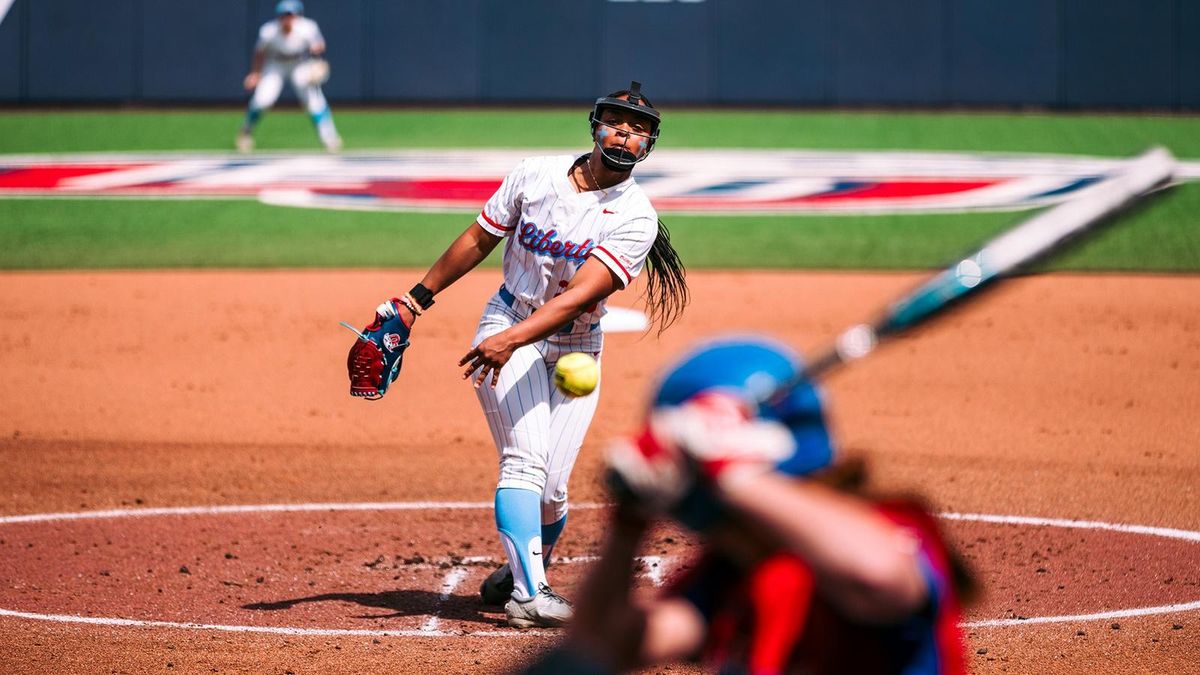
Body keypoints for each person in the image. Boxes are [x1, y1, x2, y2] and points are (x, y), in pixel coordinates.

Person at [366, 82, 688, 628]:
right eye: (615, 122)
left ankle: (517, 570)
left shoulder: (636, 217)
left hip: (574, 343)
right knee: (525, 460)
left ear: (649, 146)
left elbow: (583, 295)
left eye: (638, 130)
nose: (624, 134)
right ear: (594, 125)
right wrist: (417, 299)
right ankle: (530, 594)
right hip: (507, 321)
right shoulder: (534, 174)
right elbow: (478, 237)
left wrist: (513, 340)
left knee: (554, 491)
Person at [522, 336, 972, 673]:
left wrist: (732, 474)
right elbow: (599, 646)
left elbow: (878, 578)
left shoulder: (892, 523)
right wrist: (629, 521)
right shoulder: (728, 576)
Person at [237, 0, 342, 153]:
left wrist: (316, 50)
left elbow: (320, 45)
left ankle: (328, 137)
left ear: (297, 15)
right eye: (284, 15)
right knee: (262, 100)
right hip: (275, 64)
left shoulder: (307, 27)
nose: (288, 18)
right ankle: (245, 133)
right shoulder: (269, 30)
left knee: (314, 101)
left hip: (299, 63)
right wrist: (256, 73)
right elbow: (259, 53)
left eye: (291, 15)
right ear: (279, 16)